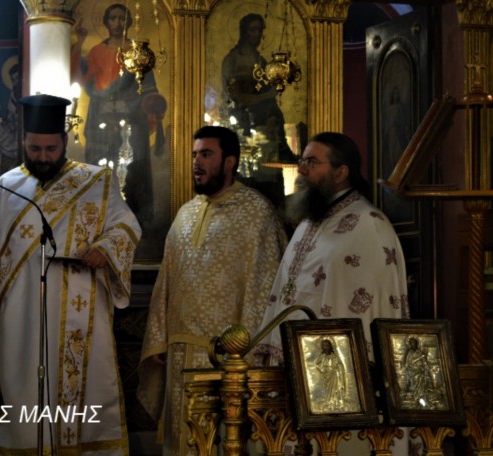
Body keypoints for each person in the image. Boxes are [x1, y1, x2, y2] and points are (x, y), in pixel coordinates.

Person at [0, 94, 141, 455]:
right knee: (22, 399)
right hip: (23, 320)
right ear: (23, 142)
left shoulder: (95, 182)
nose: (43, 157)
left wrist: (105, 249)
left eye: (51, 148)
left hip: (83, 312)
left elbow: (126, 227)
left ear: (64, 141)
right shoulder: (2, 190)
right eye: (35, 149)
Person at [256, 132, 409, 455]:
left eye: (312, 162)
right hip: (295, 371)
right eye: (302, 161)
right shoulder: (309, 222)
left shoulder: (370, 226)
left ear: (341, 172)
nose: (301, 169)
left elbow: (366, 308)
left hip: (339, 378)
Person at [137, 125, 287, 455]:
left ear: (229, 162)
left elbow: (264, 285)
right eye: (194, 155)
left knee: (221, 442)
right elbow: (167, 279)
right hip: (179, 351)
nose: (196, 162)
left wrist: (250, 351)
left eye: (206, 154)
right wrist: (160, 337)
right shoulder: (186, 213)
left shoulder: (256, 213)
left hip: (226, 358)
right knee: (180, 440)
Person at [71, 2, 167, 228]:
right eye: (113, 18)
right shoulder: (97, 51)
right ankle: (98, 219)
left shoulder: (138, 54)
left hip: (133, 120)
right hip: (101, 119)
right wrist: (80, 41)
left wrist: (134, 104)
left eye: (121, 18)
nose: (117, 23)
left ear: (129, 22)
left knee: (133, 168)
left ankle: (136, 220)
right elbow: (86, 82)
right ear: (106, 22)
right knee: (101, 166)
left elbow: (148, 89)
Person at [221, 13, 289, 208]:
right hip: (244, 127)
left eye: (260, 30)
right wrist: (266, 97)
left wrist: (270, 109)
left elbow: (271, 93)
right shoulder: (232, 60)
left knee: (270, 184)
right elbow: (238, 98)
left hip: (266, 130)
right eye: (253, 29)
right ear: (244, 32)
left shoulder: (262, 61)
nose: (257, 34)